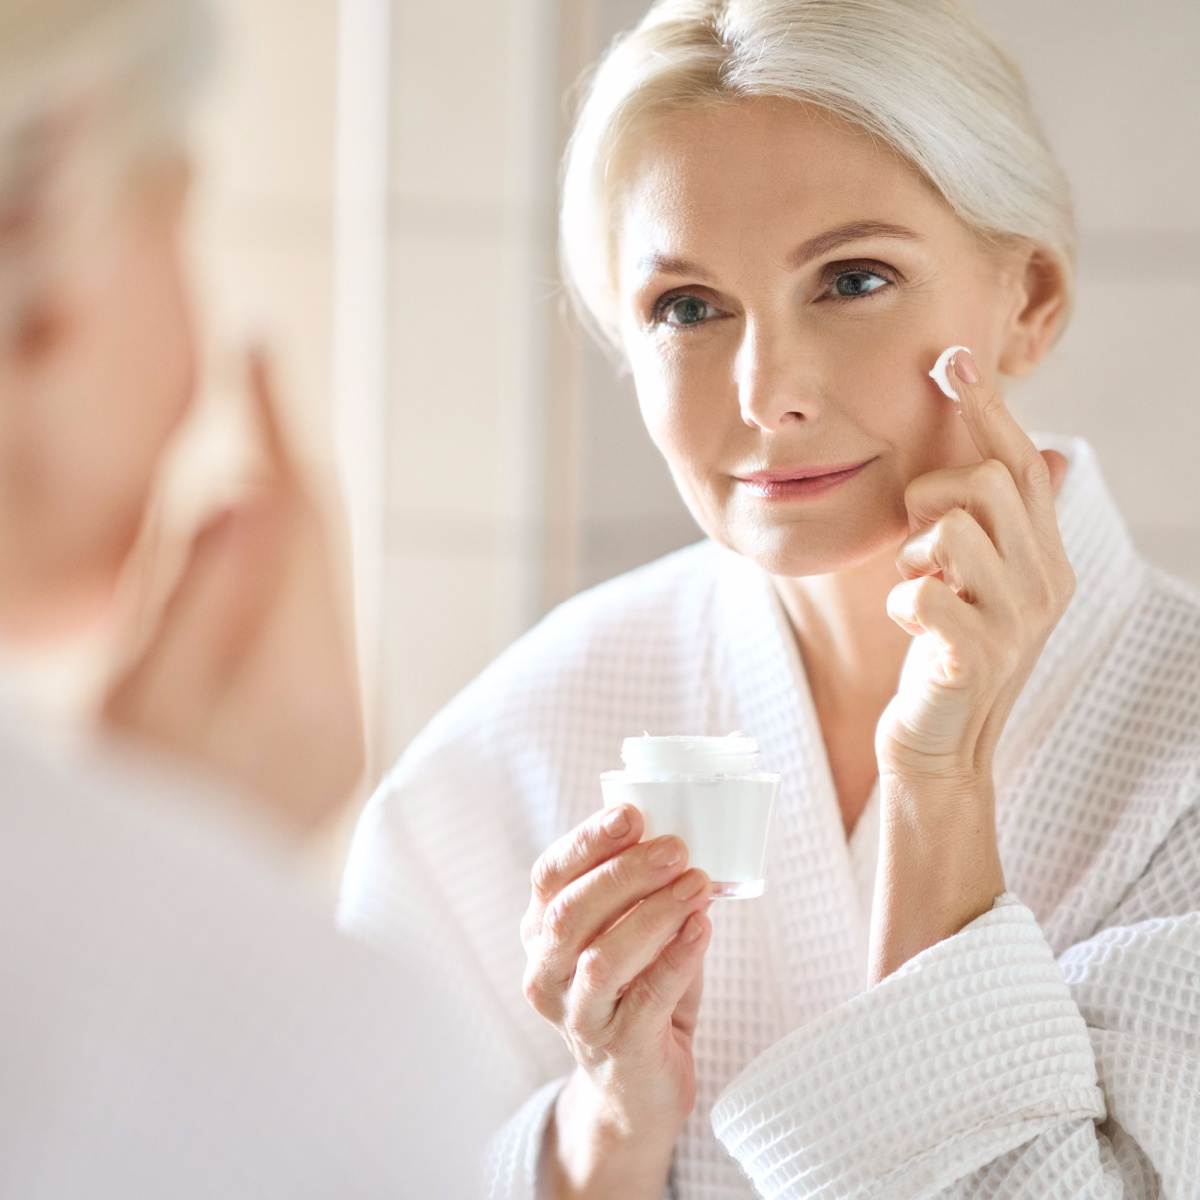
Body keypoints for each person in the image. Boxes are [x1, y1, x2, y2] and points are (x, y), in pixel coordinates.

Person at [339, 1, 1200, 1197]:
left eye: (853, 279)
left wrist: (937, 794)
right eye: (686, 308)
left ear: (1030, 298)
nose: (765, 391)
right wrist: (605, 1125)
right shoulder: (527, 737)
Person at [0, 0, 498, 1193]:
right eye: (176, 206)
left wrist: (164, 837)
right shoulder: (332, 1057)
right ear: (49, 217)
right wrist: (184, 901)